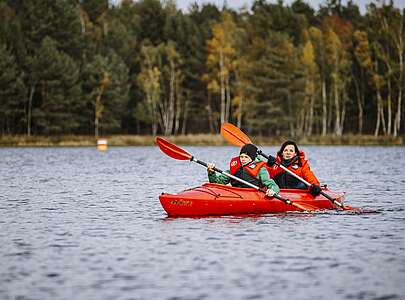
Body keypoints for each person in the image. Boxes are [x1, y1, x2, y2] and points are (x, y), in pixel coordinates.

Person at [207, 144, 279, 197]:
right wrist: (211, 172)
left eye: (246, 157)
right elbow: (217, 183)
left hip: (253, 195)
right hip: (235, 194)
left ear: (252, 158)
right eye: (241, 157)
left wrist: (272, 191)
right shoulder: (234, 168)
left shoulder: (261, 170)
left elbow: (272, 185)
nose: (243, 159)